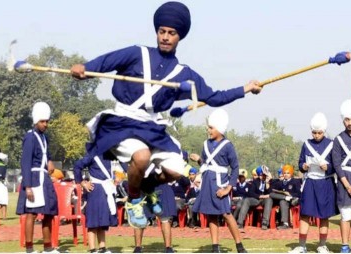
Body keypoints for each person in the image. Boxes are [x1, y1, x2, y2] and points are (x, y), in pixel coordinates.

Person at [70, 1, 262, 229]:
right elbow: (104, 63)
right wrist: (85, 69)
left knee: (176, 169)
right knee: (141, 157)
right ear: (156, 32)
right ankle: (134, 201)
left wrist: (245, 89)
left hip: (151, 126)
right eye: (162, 32)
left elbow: (214, 97)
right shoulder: (136, 53)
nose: (165, 37)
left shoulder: (184, 73)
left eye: (171, 33)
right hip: (123, 122)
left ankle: (148, 186)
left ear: (179, 37)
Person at [190, 108, 247, 253]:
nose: (208, 130)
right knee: (211, 215)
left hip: (220, 183)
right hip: (207, 181)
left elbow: (235, 168)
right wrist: (199, 160)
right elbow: (207, 164)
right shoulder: (205, 144)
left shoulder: (228, 145)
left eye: (211, 127)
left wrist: (228, 188)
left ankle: (239, 246)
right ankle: (215, 247)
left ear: (220, 128)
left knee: (226, 214)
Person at [289, 112, 338, 253]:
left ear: (324, 131)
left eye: (319, 132)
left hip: (325, 183)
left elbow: (336, 165)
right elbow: (300, 163)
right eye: (314, 132)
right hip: (310, 182)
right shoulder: (306, 144)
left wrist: (327, 167)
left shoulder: (331, 144)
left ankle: (322, 244)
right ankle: (302, 245)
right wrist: (303, 166)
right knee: (305, 214)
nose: (316, 135)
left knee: (324, 215)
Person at [16, 102, 59, 254]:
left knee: (49, 212)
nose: (45, 124)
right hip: (33, 178)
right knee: (31, 213)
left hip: (44, 177)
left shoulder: (45, 138)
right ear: (36, 121)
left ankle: (48, 247)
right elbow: (25, 162)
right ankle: (29, 248)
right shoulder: (30, 136)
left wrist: (50, 160)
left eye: (47, 121)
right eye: (42, 121)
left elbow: (46, 155)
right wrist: (27, 186)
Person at [74, 143, 118, 254]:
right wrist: (82, 182)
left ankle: (102, 248)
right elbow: (77, 166)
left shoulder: (110, 154)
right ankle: (92, 249)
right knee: (93, 220)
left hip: (107, 189)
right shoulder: (92, 154)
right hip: (96, 189)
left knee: (103, 220)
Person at [134, 164, 177, 253]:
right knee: (164, 219)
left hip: (148, 186)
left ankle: (138, 248)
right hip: (153, 185)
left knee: (141, 218)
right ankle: (168, 248)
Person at [332, 100, 351, 254]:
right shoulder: (338, 139)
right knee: (345, 215)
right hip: (344, 181)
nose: (350, 122)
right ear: (343, 120)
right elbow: (337, 164)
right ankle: (345, 246)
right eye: (347, 119)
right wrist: (347, 185)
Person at [236, 165, 273, 231]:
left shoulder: (270, 181)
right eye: (262, 175)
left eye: (265, 175)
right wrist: (260, 196)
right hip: (256, 199)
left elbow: (270, 193)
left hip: (265, 200)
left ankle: (265, 223)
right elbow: (251, 193)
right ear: (259, 175)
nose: (263, 176)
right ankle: (240, 223)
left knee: (269, 200)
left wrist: (267, 182)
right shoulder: (255, 182)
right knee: (247, 200)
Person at [269, 164, 301, 230]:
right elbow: (271, 190)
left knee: (283, 201)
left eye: (288, 173)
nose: (286, 174)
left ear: (291, 174)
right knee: (272, 195)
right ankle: (285, 198)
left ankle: (285, 224)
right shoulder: (280, 182)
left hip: (292, 200)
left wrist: (290, 194)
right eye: (284, 173)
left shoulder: (295, 182)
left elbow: (299, 194)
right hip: (283, 199)